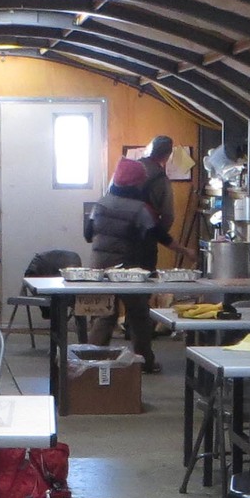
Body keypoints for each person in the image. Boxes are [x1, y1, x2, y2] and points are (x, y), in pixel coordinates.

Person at [86, 155, 169, 370]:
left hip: (98, 267)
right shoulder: (140, 208)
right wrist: (184, 250)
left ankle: (91, 363)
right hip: (128, 269)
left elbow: (88, 234)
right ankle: (145, 362)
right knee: (139, 315)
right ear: (137, 182)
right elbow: (154, 235)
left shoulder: (100, 204)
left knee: (104, 314)